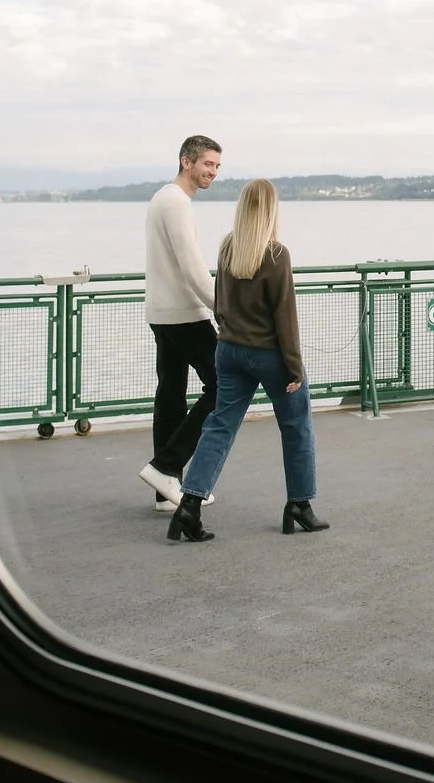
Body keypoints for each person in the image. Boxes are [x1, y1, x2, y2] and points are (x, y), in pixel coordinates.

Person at [169, 178, 329, 542]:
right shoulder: (276, 254)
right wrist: (293, 366)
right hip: (268, 353)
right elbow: (284, 316)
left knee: (219, 425)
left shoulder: (228, 247)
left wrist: (229, 333)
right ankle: (299, 505)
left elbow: (219, 302)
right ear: (272, 209)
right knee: (296, 425)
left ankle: (189, 506)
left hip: (228, 350)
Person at [138, 134, 222, 510]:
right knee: (226, 386)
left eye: (217, 166)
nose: (213, 172)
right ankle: (165, 467)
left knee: (170, 397)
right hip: (184, 315)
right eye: (208, 164)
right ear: (186, 162)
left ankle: (165, 490)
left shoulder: (162, 199)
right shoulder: (177, 203)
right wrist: (225, 307)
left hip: (161, 313)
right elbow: (192, 268)